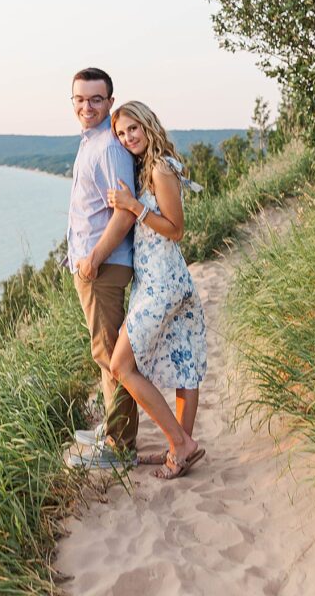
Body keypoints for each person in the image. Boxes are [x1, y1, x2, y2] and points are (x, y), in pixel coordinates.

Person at [106, 100, 207, 480]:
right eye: (121, 132)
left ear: (148, 125)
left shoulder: (161, 169)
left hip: (163, 283)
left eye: (133, 128)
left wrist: (134, 207)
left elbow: (176, 229)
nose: (127, 136)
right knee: (184, 364)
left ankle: (180, 443)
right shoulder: (147, 167)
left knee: (120, 365)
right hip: (159, 281)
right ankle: (178, 451)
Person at [66, 67, 139, 469]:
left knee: (112, 356)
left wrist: (92, 259)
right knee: (104, 354)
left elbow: (123, 215)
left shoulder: (108, 147)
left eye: (96, 99)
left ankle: (120, 447)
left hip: (104, 266)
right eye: (80, 99)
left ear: (110, 102)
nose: (87, 106)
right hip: (95, 266)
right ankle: (113, 431)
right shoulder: (89, 141)